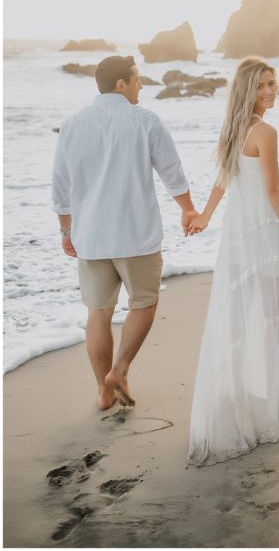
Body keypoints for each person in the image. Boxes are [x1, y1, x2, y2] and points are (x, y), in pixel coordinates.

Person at [52, 55, 197, 410]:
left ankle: (103, 393)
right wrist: (188, 209)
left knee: (98, 313)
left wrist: (66, 230)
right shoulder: (145, 120)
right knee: (144, 303)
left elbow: (60, 185)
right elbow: (172, 172)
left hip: (91, 238)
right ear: (121, 84)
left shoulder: (72, 125)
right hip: (136, 235)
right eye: (137, 79)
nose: (141, 85)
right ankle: (119, 370)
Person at [185, 56, 279, 466]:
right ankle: (270, 404)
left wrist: (205, 215)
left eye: (273, 83)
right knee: (269, 320)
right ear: (248, 91)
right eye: (262, 85)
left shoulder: (233, 129)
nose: (270, 91)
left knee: (238, 321)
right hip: (264, 237)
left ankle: (249, 397)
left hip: (237, 241)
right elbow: (273, 190)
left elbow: (223, 180)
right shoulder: (265, 132)